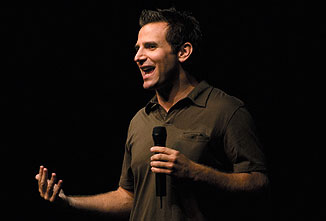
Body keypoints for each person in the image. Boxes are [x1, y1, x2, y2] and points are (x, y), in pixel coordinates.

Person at [35, 8, 269, 220]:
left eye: (150, 46)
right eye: (137, 48)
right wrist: (69, 202)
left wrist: (197, 172)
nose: (137, 56)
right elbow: (128, 197)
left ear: (183, 52)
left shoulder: (225, 109)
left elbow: (259, 182)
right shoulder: (140, 120)